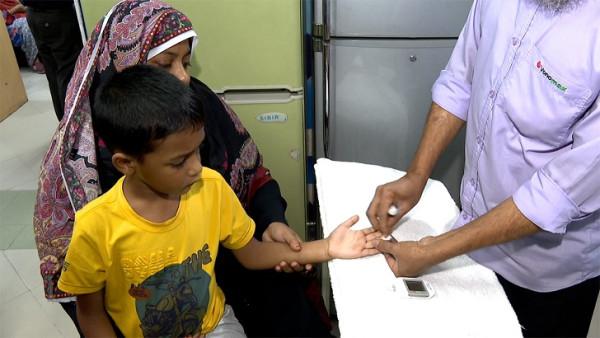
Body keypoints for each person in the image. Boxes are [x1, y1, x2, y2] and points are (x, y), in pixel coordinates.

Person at [33, 1, 334, 337]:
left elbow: (251, 178)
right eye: (164, 64)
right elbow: (92, 309)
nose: (182, 76)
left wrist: (272, 220)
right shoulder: (85, 184)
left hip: (219, 283)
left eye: (186, 62)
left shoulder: (196, 116)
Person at [57, 64, 379, 338]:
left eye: (198, 150)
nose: (197, 167)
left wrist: (327, 248)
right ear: (126, 164)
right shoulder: (95, 226)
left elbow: (252, 254)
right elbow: (91, 313)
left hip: (215, 326)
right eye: (179, 161)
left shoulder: (210, 187)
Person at [367, 1, 600, 337]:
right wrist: (417, 175)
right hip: (470, 238)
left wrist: (434, 250)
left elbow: (556, 193)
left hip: (545, 280)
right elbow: (461, 82)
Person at [21, 0, 82, 120]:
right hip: (56, 14)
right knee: (67, 72)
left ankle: (63, 123)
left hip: (34, 15)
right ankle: (70, 125)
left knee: (52, 72)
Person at [0, 0, 44, 73]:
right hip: (8, 24)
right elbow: (2, 19)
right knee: (27, 24)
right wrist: (12, 11)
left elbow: (27, 7)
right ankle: (34, 60)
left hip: (25, 15)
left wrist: (23, 8)